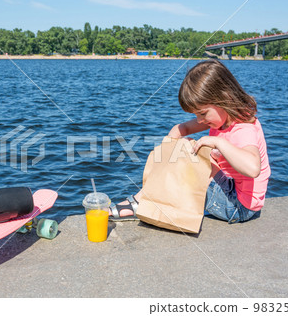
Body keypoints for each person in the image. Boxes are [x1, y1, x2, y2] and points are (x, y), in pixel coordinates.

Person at [110, 59, 270, 224]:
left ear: (224, 98)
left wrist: (217, 142)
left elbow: (253, 169)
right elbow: (181, 129)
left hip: (238, 206)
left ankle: (141, 202)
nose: (199, 120)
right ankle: (146, 197)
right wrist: (165, 159)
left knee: (186, 151)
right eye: (196, 115)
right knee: (182, 147)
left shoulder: (244, 129)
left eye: (202, 113)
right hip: (229, 190)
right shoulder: (221, 119)